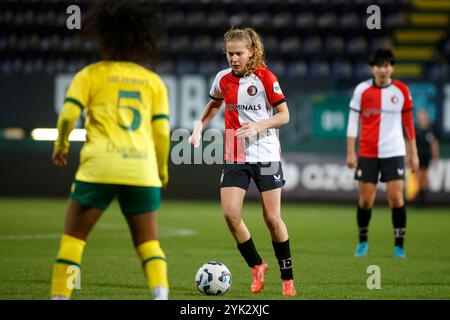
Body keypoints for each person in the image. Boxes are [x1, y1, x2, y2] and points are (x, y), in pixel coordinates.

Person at [50, 0, 170, 300]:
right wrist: (162, 169)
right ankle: (161, 296)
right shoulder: (154, 82)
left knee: (73, 242)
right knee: (148, 244)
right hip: (141, 170)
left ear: (104, 37)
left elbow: (67, 116)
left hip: (99, 167)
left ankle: (60, 297)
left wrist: (61, 145)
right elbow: (162, 133)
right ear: (143, 40)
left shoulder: (89, 75)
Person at [188, 27, 297, 296]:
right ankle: (257, 265)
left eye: (239, 53)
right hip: (235, 155)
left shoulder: (265, 78)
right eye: (230, 54)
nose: (234, 59)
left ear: (252, 52)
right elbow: (215, 103)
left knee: (272, 218)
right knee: (230, 214)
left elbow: (284, 115)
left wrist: (259, 126)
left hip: (267, 155)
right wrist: (199, 125)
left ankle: (287, 279)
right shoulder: (222, 79)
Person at [346, 49, 419, 259]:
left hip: (394, 151)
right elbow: (352, 122)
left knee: (396, 198)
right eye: (379, 65)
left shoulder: (402, 91)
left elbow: (408, 124)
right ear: (372, 68)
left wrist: (412, 152)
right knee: (366, 201)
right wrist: (351, 152)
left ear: (392, 68)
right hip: (367, 152)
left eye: (387, 65)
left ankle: (399, 246)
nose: (383, 69)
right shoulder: (361, 90)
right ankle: (362, 242)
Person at [413, 108, 440, 207]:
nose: (423, 118)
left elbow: (434, 144)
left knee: (424, 179)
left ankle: (421, 201)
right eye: (421, 116)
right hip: (417, 157)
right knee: (418, 178)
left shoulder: (430, 130)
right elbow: (410, 144)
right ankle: (418, 200)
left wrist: (435, 157)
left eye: (424, 116)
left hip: (426, 157)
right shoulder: (415, 130)